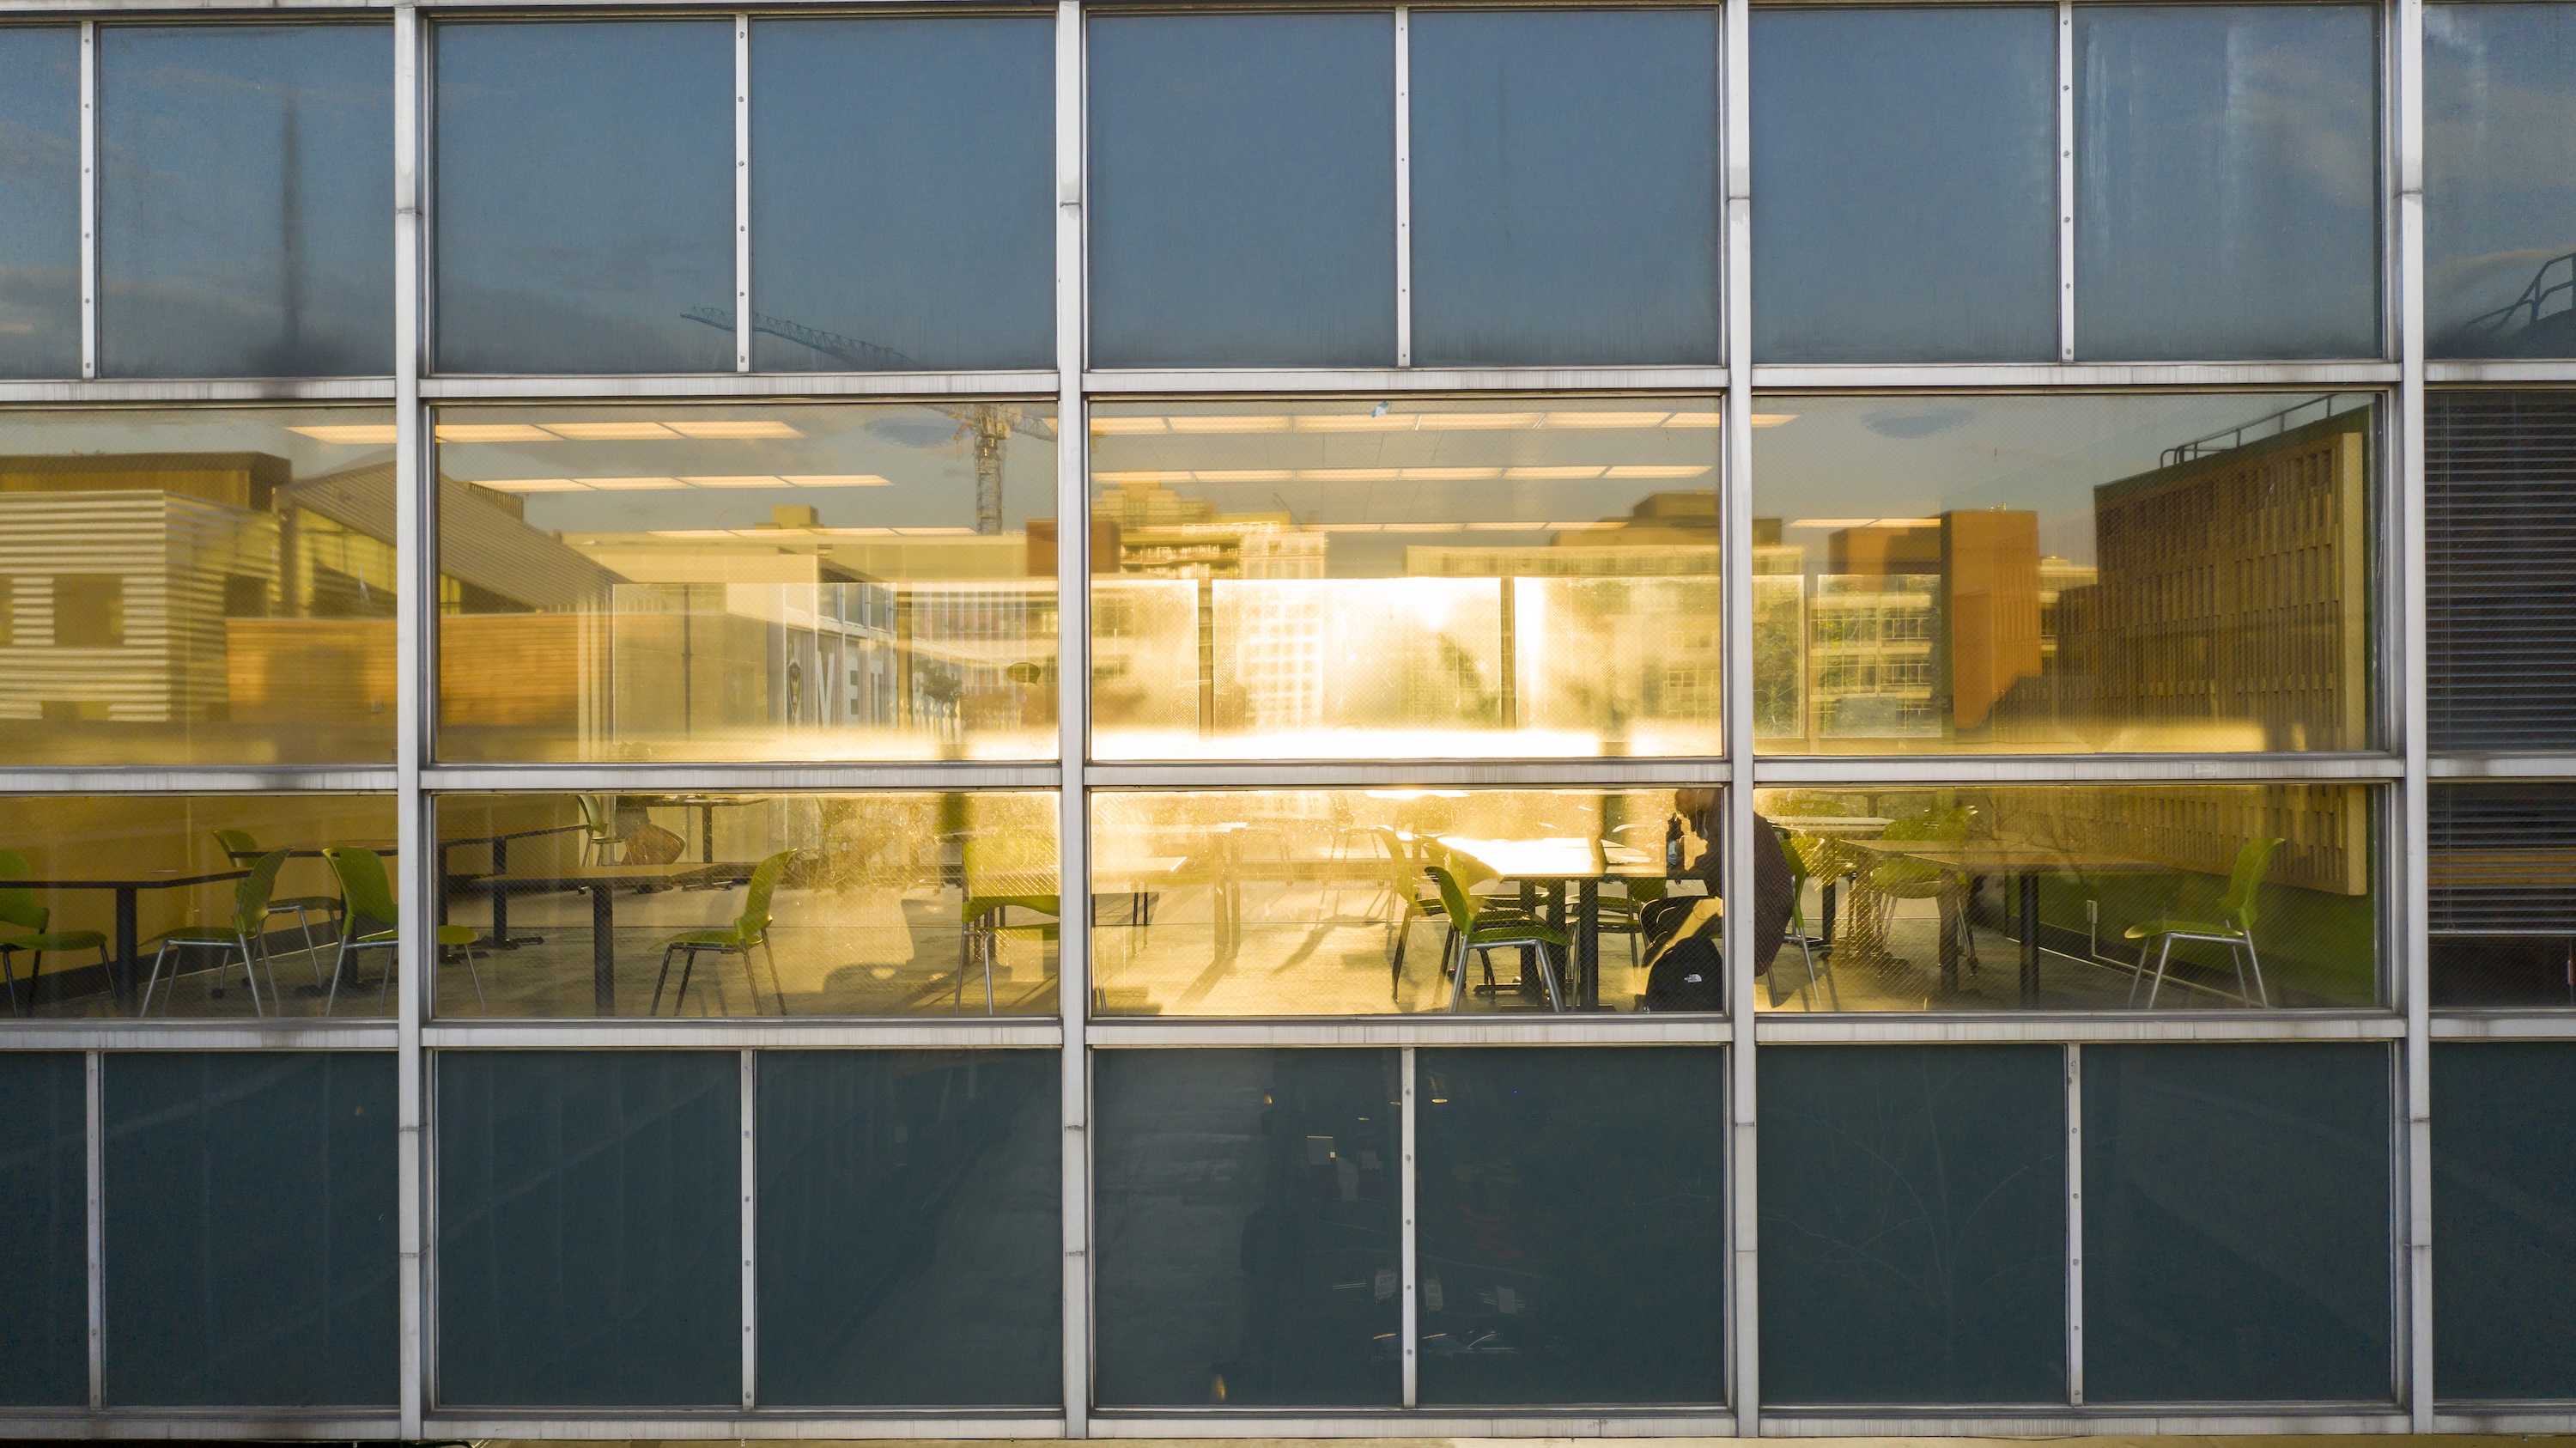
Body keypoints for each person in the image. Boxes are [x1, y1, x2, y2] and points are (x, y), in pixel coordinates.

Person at [1647, 788, 1797, 978]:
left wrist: (1685, 870)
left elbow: (1713, 862)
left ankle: (1685, 979)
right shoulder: (1714, 813)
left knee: (1668, 919)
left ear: (1698, 789)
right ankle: (1674, 977)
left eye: (1681, 793)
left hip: (1758, 905)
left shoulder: (1729, 816)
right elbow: (1711, 863)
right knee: (1652, 912)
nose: (1677, 803)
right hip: (1736, 897)